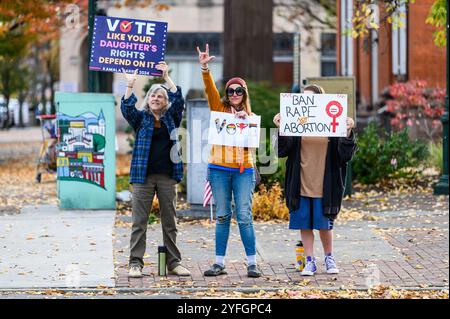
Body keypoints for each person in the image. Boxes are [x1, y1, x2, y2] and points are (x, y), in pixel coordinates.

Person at [272, 84, 357, 276]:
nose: (306, 101)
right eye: (303, 98)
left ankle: (329, 257)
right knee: (304, 223)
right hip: (301, 181)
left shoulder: (331, 123)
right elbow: (281, 151)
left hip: (325, 183)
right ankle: (309, 261)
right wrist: (281, 128)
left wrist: (348, 132)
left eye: (310, 98)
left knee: (324, 225)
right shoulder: (296, 123)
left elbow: (345, 155)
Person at [197, 44, 261, 278]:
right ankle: (219, 263)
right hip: (219, 170)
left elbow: (254, 138)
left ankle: (252, 263)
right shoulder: (219, 108)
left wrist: (247, 120)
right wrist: (205, 68)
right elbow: (210, 90)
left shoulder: (251, 117)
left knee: (244, 215)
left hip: (243, 171)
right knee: (223, 214)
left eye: (239, 91)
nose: (234, 94)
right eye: (231, 91)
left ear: (245, 94)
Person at [121, 62, 190, 278]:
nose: (156, 98)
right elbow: (127, 109)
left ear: (165, 101)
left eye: (160, 96)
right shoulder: (141, 120)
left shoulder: (172, 117)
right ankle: (135, 263)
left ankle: (174, 262)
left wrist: (167, 77)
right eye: (152, 96)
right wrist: (130, 86)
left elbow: (179, 99)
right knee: (139, 222)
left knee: (170, 222)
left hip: (168, 177)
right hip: (143, 178)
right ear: (148, 100)